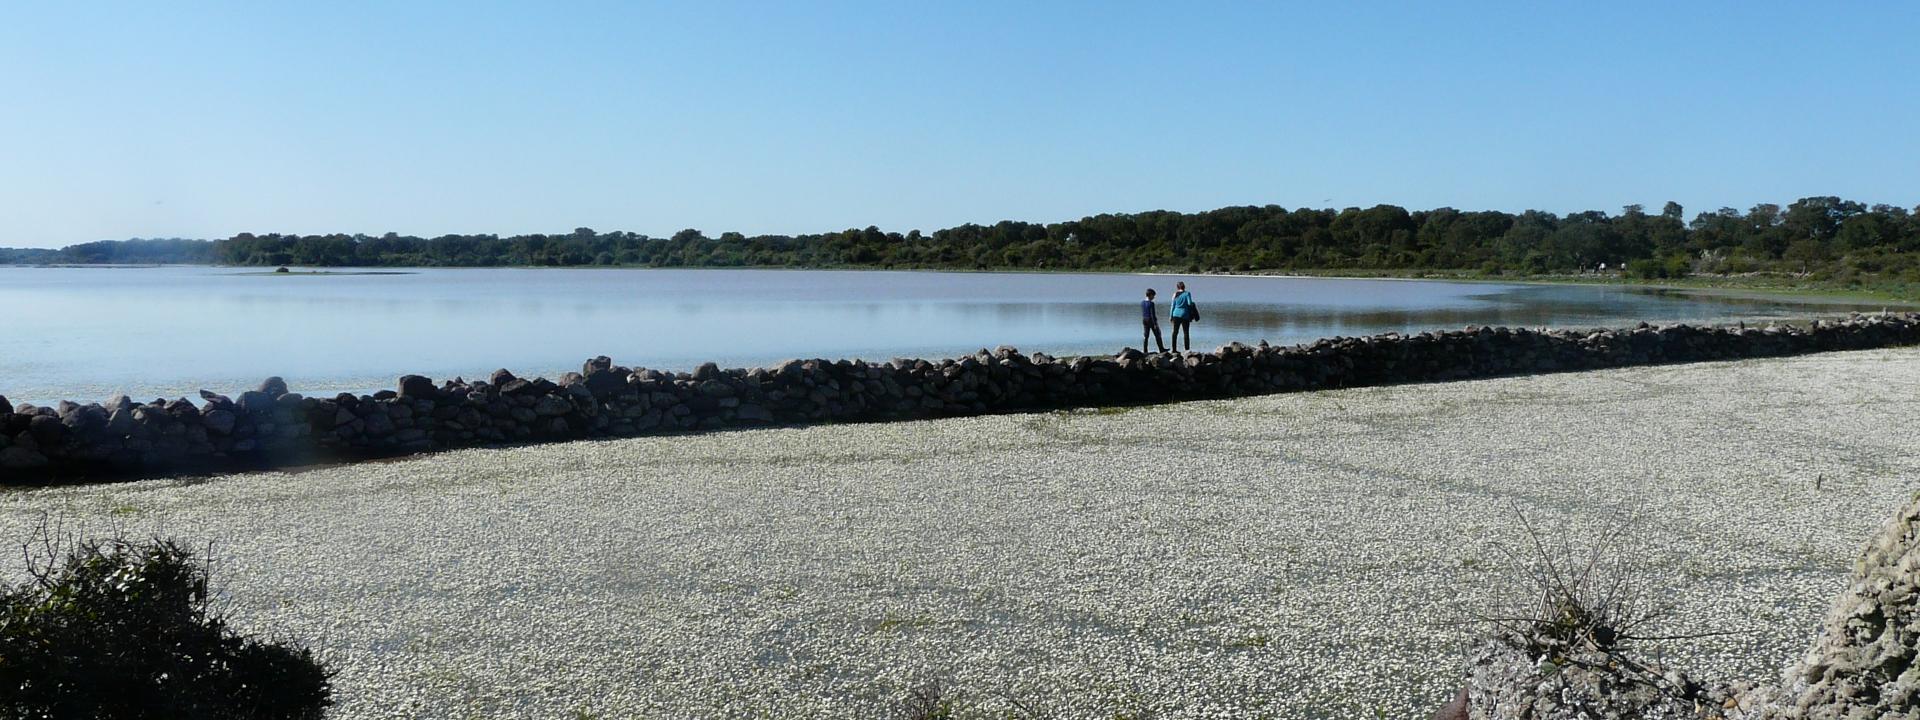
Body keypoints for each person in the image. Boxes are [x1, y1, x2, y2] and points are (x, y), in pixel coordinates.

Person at [1168, 281, 1199, 351]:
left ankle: (1174, 349)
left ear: (1177, 287)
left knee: (1175, 332)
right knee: (1186, 332)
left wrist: (1170, 316)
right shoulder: (1187, 293)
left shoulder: (1175, 294)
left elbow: (1172, 305)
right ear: (1184, 287)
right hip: (1185, 315)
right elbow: (1189, 303)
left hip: (1175, 314)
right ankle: (1187, 349)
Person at [1140, 288, 1167, 353]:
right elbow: (1152, 314)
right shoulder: (1151, 303)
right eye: (1153, 296)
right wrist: (1155, 324)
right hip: (1151, 321)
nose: (1154, 297)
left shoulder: (1142, 302)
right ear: (1150, 295)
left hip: (1144, 320)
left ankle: (1145, 350)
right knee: (1158, 334)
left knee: (1146, 336)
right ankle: (1161, 349)